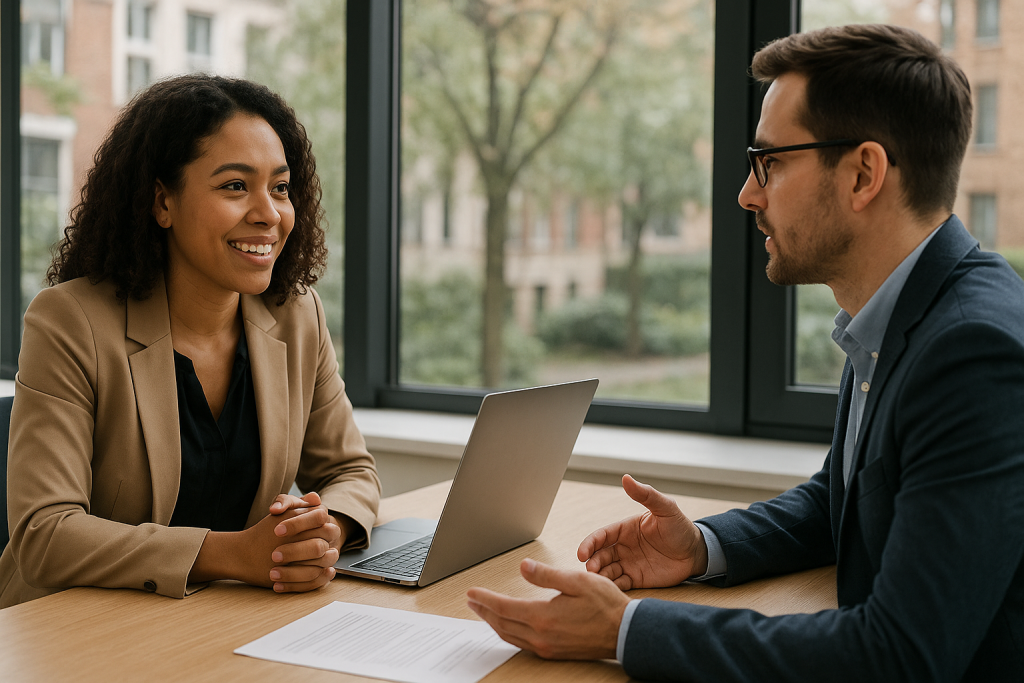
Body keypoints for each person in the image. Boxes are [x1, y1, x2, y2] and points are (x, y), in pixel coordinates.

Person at [466, 24, 1024, 681]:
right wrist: (701, 547)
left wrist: (626, 629)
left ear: (864, 173)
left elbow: (899, 655)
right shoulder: (904, 309)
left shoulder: (970, 351)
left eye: (770, 163)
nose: (747, 193)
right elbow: (841, 501)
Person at [0, 75, 381, 608]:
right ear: (162, 202)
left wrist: (324, 532)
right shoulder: (70, 321)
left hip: (216, 619)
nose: (268, 213)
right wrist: (233, 555)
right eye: (233, 186)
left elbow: (351, 471)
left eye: (279, 187)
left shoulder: (295, 314)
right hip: (70, 629)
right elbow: (46, 534)